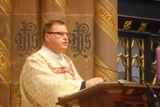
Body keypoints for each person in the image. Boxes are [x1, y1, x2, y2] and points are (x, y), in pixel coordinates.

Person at [20, 20, 103, 107]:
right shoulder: (35, 60)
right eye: (60, 33)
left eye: (67, 34)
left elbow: (78, 83)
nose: (66, 37)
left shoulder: (67, 60)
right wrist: (84, 84)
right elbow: (48, 89)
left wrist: (92, 88)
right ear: (47, 36)